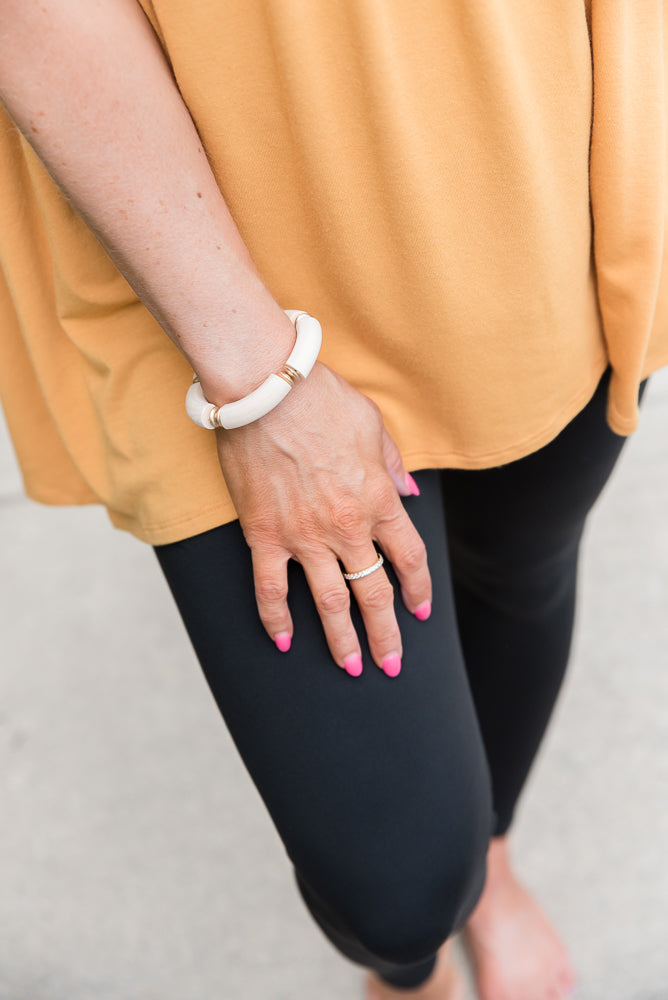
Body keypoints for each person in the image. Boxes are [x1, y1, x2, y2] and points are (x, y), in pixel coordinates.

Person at [0, 1, 666, 997]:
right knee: (395, 889)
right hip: (201, 242)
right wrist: (256, 382)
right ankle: (414, 961)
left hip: (530, 155)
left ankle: (489, 861)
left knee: (518, 568)